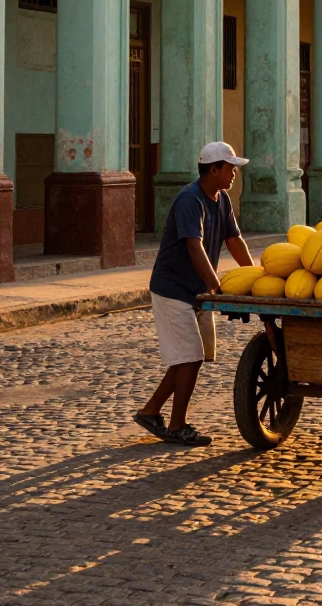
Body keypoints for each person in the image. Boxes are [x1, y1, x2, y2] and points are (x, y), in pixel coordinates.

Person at [135, 141, 253, 446]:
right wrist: (216, 286)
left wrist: (256, 276)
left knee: (189, 359)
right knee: (190, 356)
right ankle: (176, 425)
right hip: (173, 289)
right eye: (230, 169)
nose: (234, 174)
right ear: (213, 169)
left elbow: (234, 240)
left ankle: (150, 411)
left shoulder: (222, 198)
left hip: (196, 290)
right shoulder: (190, 200)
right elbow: (194, 245)